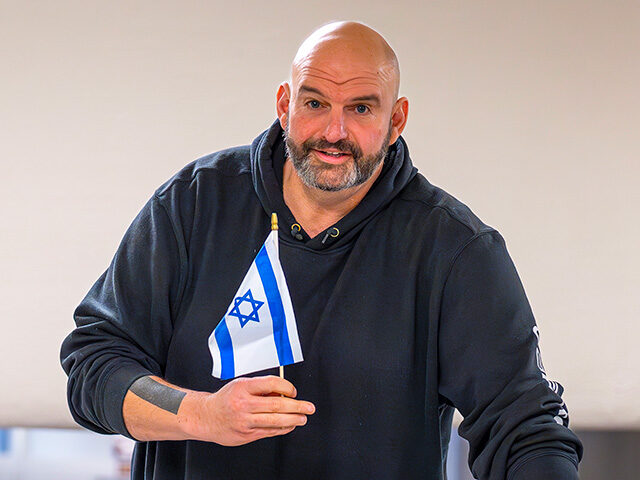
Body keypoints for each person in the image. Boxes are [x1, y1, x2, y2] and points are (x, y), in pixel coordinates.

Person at [61, 21, 582, 479]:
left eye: (360, 108)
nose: (334, 132)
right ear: (285, 104)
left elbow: (524, 428)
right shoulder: (194, 204)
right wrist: (200, 415)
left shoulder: (455, 250)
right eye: (315, 103)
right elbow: (95, 365)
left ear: (397, 119)